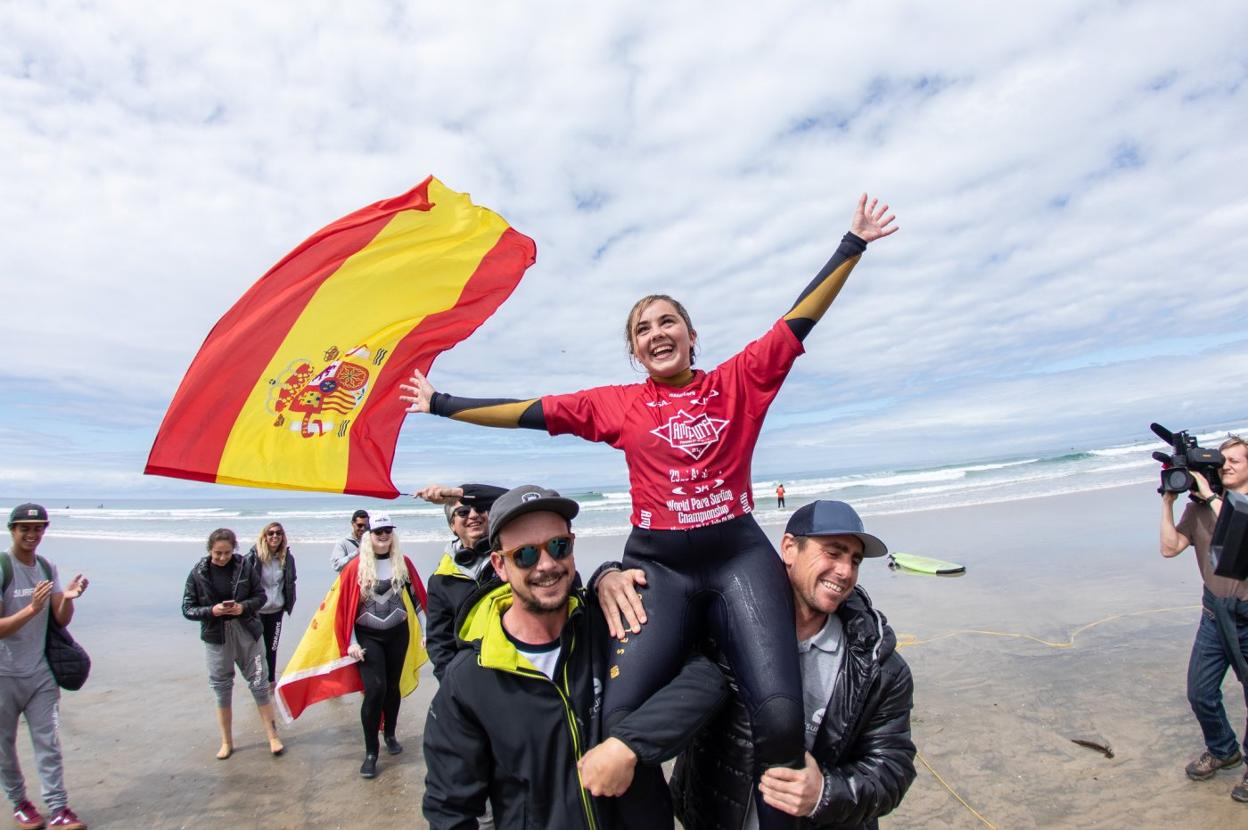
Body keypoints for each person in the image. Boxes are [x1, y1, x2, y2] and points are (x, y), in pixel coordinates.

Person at [405, 195, 897, 829]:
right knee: (618, 720)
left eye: (668, 322)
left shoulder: (739, 381)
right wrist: (441, 403)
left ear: (691, 336)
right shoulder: (618, 404)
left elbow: (799, 320)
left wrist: (852, 245)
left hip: (737, 557)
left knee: (779, 716)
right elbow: (531, 412)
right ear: (635, 352)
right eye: (642, 329)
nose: (657, 333)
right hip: (659, 566)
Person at [421, 485, 729, 829]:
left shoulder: (611, 626)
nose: (547, 564)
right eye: (525, 554)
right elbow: (449, 809)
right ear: (500, 565)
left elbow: (705, 679)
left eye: (558, 546)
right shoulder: (470, 680)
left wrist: (629, 744)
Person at [595, 500, 915, 828]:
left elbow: (893, 768)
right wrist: (607, 575)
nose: (845, 571)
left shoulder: (878, 667)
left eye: (854, 560)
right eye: (833, 553)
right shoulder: (717, 625)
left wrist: (824, 793)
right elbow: (664, 598)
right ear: (789, 548)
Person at [1160, 434, 1248, 803]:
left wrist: (1211, 497)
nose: (1226, 467)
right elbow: (1169, 549)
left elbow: (1242, 528)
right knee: (1200, 692)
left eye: (1235, 461)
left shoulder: (1228, 504)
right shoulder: (1198, 509)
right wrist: (1168, 503)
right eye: (1221, 462)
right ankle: (1223, 749)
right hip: (1214, 613)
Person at [0, 504, 89, 830]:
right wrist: (31, 609)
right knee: (4, 746)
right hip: (3, 675)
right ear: (12, 530)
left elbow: (60, 620)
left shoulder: (46, 567)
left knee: (48, 743)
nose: (32, 534)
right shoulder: (3, 567)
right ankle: (20, 803)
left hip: (40, 673)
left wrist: (68, 598)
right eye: (24, 528)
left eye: (38, 528)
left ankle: (59, 808)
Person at [181, 528, 284, 760]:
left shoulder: (244, 566)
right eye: (218, 553)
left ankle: (273, 736)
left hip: (247, 631)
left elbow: (260, 596)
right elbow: (187, 608)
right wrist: (212, 610)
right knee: (221, 687)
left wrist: (243, 607)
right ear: (210, 550)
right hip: (216, 635)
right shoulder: (198, 573)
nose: (222, 557)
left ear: (234, 549)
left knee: (259, 683)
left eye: (227, 553)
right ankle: (226, 742)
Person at [344, 514, 427, 779]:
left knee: (392, 686)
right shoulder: (355, 567)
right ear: (368, 535)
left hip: (397, 634)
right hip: (368, 637)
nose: (383, 535)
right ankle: (371, 752)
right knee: (375, 689)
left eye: (388, 531)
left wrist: (426, 632)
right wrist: (351, 642)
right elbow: (345, 609)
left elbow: (417, 599)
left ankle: (390, 733)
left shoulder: (403, 563)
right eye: (378, 531)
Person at [415, 483, 508, 681]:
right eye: (463, 512)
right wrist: (453, 686)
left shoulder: (514, 558)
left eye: (480, 509)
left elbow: (525, 499)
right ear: (452, 525)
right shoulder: (440, 580)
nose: (473, 515)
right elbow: (439, 643)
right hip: (472, 678)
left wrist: (461, 493)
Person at [244, 522, 297, 694]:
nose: (275, 536)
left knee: (272, 648)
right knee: (258, 650)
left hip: (276, 611)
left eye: (278, 533)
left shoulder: (287, 558)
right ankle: (258, 681)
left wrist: (288, 603)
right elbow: (244, 584)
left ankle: (271, 682)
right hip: (257, 611)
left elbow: (290, 582)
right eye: (271, 533)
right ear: (264, 536)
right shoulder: (253, 557)